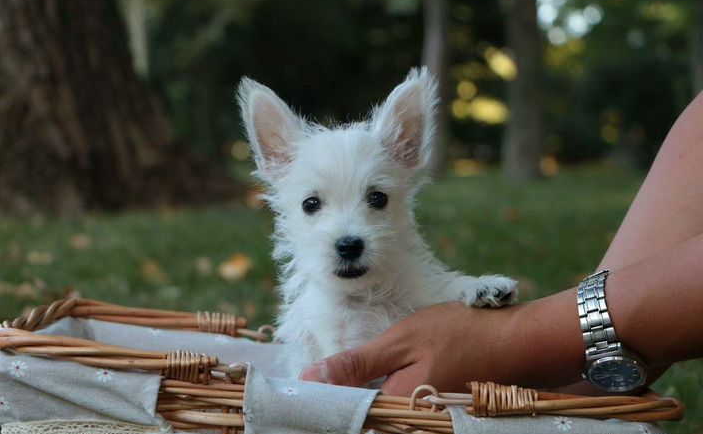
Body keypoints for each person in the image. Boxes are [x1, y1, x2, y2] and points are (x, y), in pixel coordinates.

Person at [300, 91, 703, 397]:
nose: (347, 234)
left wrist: (480, 307)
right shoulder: (312, 312)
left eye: (376, 199)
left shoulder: (413, 279)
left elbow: (438, 299)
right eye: (313, 205)